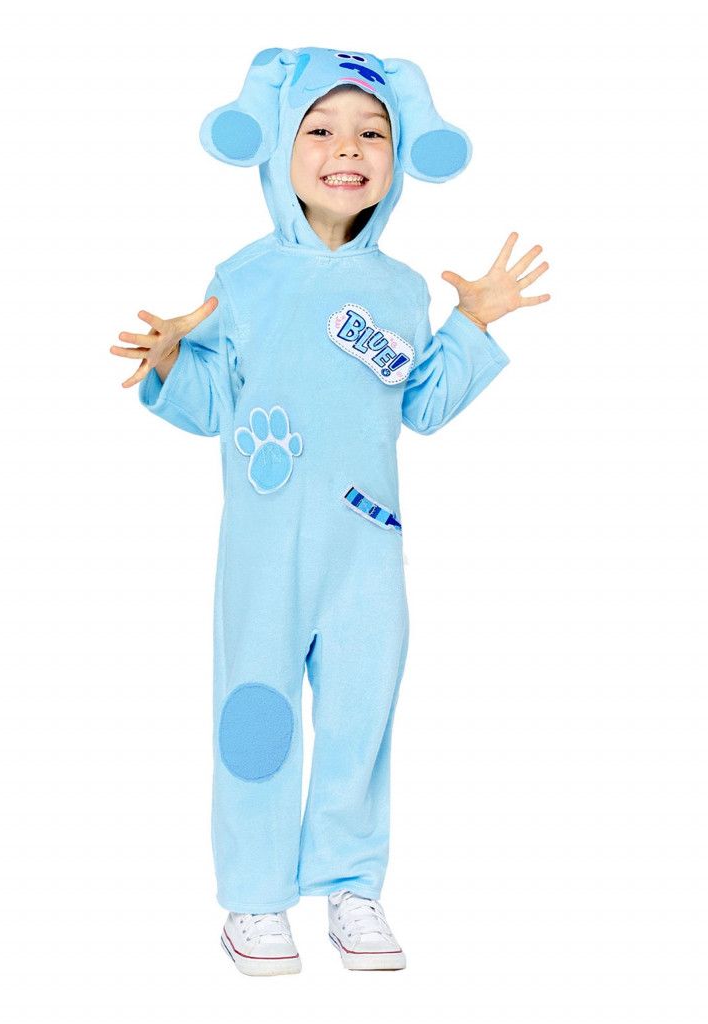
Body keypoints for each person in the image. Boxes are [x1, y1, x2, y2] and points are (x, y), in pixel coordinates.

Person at [110, 47, 551, 976]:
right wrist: (170, 363)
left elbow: (422, 405)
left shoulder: (400, 290)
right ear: (279, 148)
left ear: (398, 159)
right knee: (256, 718)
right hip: (264, 548)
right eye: (319, 129)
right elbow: (217, 403)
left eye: (371, 133)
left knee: (361, 715)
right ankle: (255, 898)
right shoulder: (244, 278)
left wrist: (473, 323)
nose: (346, 149)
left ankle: (351, 885)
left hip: (366, 544)